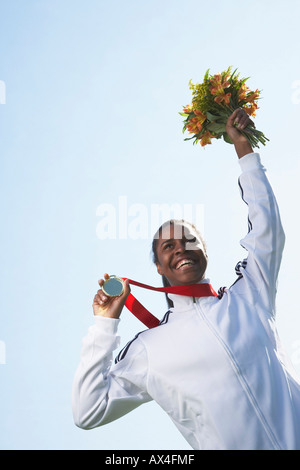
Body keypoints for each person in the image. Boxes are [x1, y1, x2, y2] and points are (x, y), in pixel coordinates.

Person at [72, 109, 300, 450]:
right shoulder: (150, 348)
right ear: (159, 267)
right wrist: (104, 326)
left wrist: (245, 152)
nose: (182, 248)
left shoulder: (250, 292)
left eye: (190, 240)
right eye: (169, 245)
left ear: (205, 251)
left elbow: (268, 228)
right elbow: (88, 411)